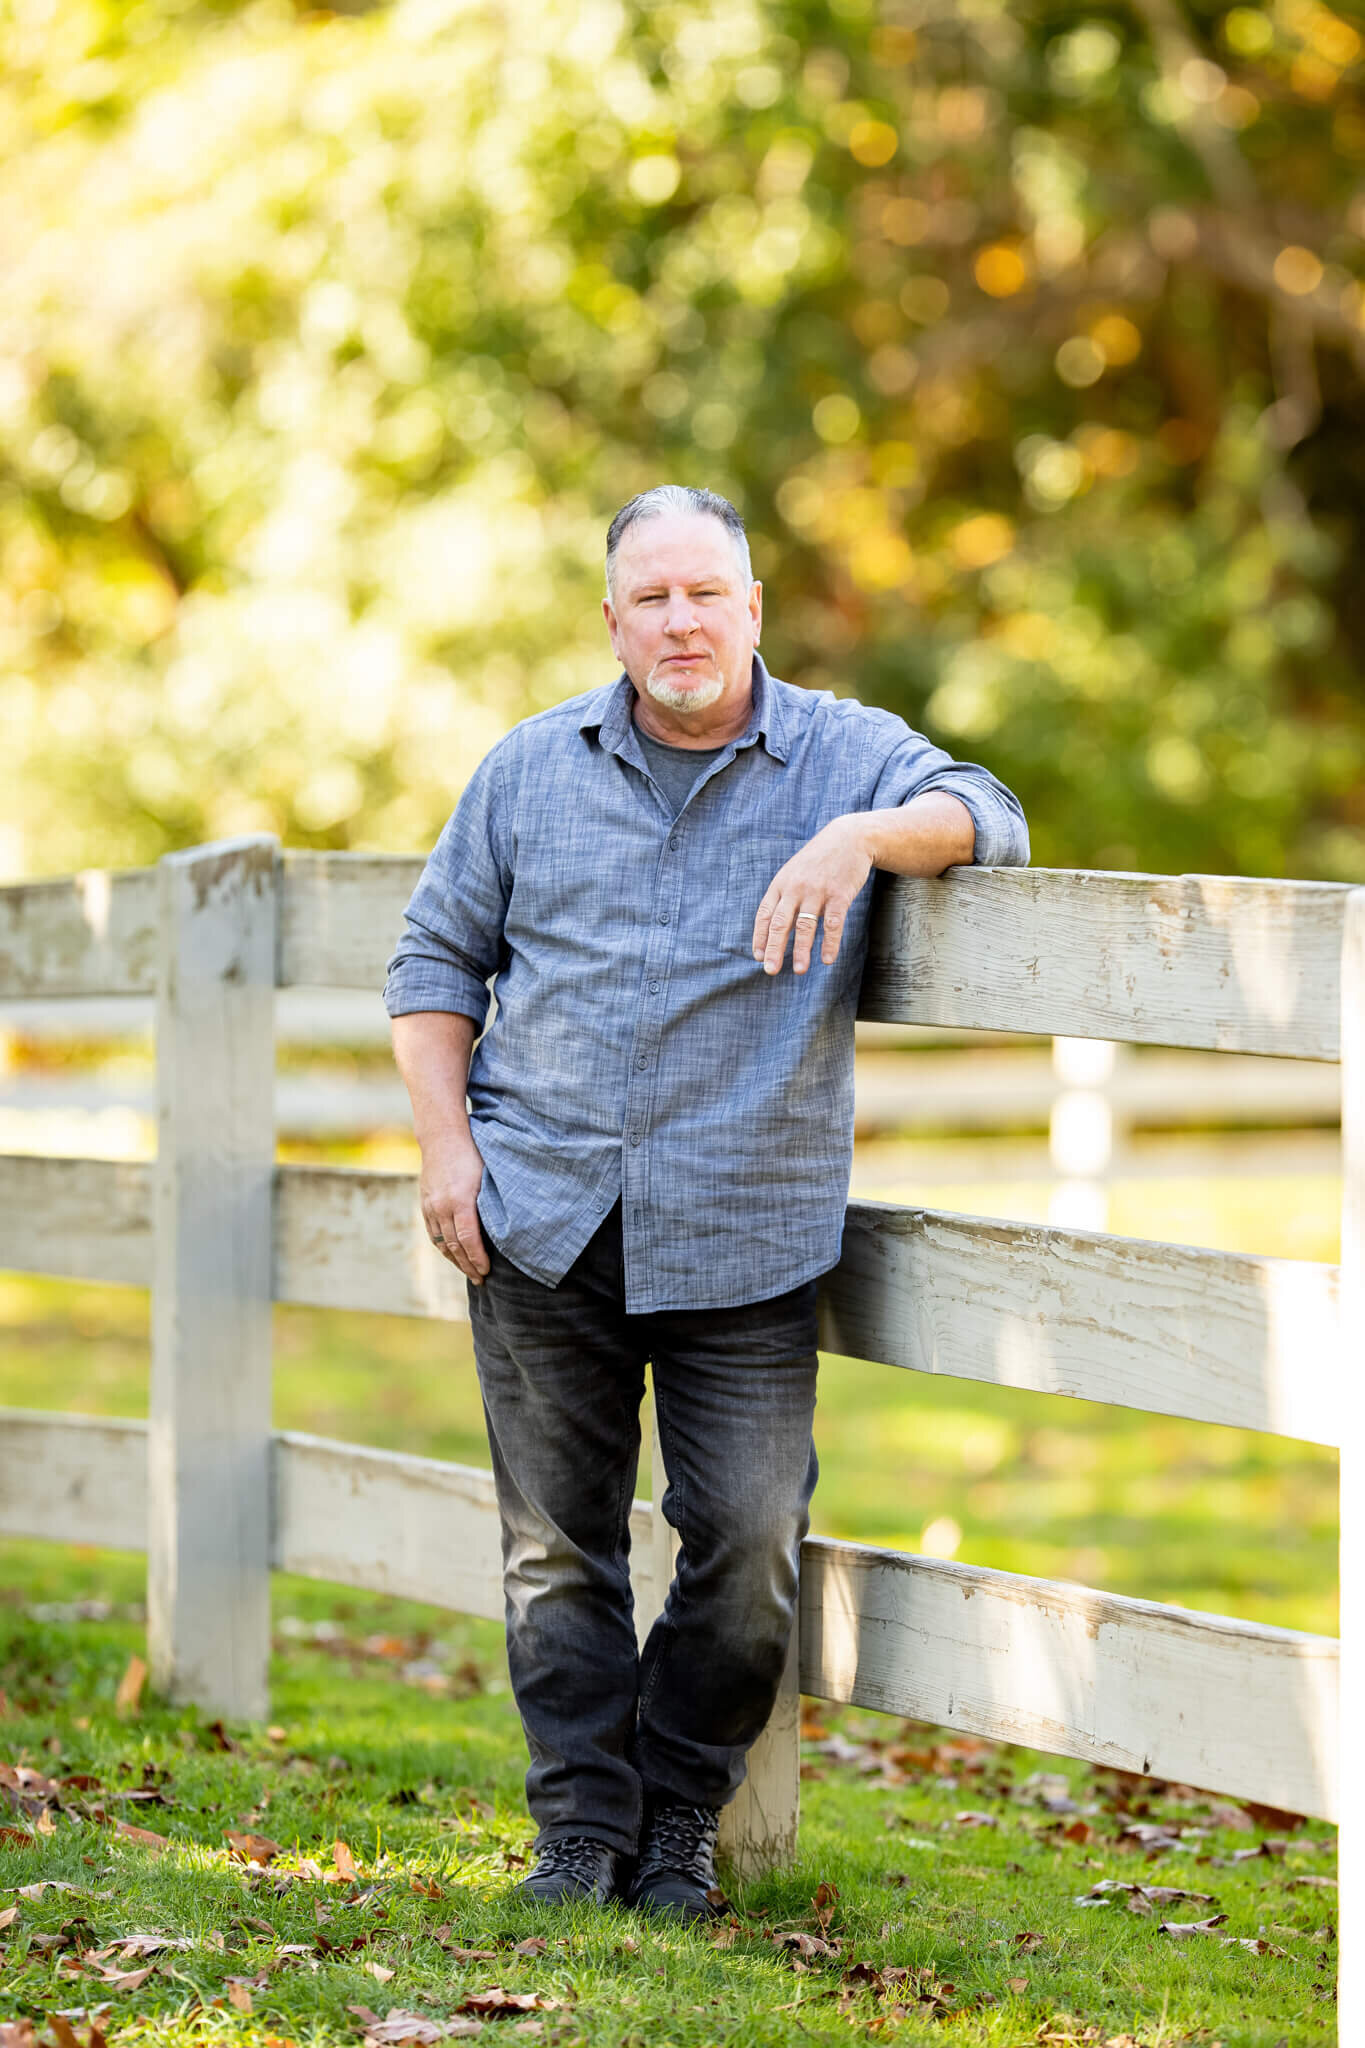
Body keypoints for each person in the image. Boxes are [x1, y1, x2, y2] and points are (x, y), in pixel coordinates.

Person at [383, 485, 1029, 1922]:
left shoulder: (845, 755)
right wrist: (445, 1147)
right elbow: (432, 964)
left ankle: (677, 1813)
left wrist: (860, 839)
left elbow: (989, 814)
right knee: (557, 1552)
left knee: (743, 1544)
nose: (680, 621)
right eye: (651, 598)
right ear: (612, 619)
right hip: (539, 1220)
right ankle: (580, 1832)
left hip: (745, 1230)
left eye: (706, 594)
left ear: (751, 608)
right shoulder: (525, 770)